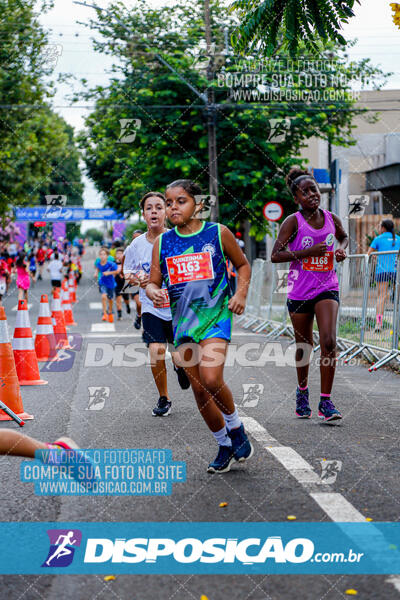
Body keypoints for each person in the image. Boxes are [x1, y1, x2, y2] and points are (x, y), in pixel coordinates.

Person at [146, 180, 253, 473]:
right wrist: (153, 291)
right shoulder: (163, 243)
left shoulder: (218, 233)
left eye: (181, 201)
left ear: (198, 204)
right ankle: (224, 445)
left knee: (211, 377)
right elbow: (153, 282)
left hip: (216, 317)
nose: (173, 207)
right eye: (169, 203)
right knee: (199, 391)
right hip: (183, 326)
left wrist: (240, 293)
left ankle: (236, 427)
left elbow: (242, 265)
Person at [271, 167, 348, 422]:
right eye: (305, 192)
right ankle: (302, 391)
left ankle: (326, 401)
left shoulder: (331, 218)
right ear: (296, 199)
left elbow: (343, 237)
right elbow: (275, 255)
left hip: (327, 286)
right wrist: (307, 253)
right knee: (304, 345)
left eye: (313, 189)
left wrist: (341, 249)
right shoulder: (292, 222)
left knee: (328, 341)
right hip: (299, 289)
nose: (312, 195)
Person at [124, 192, 190, 417]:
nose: (154, 211)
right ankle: (164, 397)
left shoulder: (178, 239)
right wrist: (137, 279)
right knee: (156, 350)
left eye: (159, 207)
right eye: (149, 208)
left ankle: (180, 366)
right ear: (143, 214)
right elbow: (127, 272)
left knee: (179, 355)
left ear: (167, 213)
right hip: (151, 307)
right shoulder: (136, 244)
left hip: (177, 307)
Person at [367, 219, 400, 332]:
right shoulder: (398, 239)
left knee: (381, 297)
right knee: (397, 299)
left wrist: (377, 256)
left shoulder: (378, 239)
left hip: (382, 271)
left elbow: (368, 254)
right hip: (396, 271)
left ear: (383, 228)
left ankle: (378, 324)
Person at [94, 247, 119, 322]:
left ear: (107, 256)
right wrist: (96, 273)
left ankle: (110, 312)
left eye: (104, 254)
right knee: (103, 296)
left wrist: (109, 273)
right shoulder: (99, 263)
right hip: (102, 282)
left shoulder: (111, 264)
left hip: (110, 283)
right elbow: (98, 269)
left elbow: (117, 271)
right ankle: (104, 314)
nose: (102, 256)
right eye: (101, 254)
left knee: (110, 299)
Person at [114, 248, 131, 320]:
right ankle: (119, 314)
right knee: (118, 298)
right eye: (117, 254)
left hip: (124, 283)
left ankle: (127, 305)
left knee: (126, 298)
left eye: (120, 254)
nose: (119, 255)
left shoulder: (126, 263)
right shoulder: (114, 263)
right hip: (117, 283)